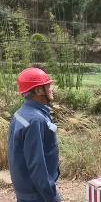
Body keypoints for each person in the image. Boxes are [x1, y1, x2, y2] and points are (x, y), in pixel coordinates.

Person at [8, 67, 61, 202]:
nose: (51, 88)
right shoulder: (35, 120)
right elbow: (37, 164)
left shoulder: (20, 114)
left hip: (25, 190)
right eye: (48, 85)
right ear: (38, 90)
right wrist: (51, 195)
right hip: (38, 195)